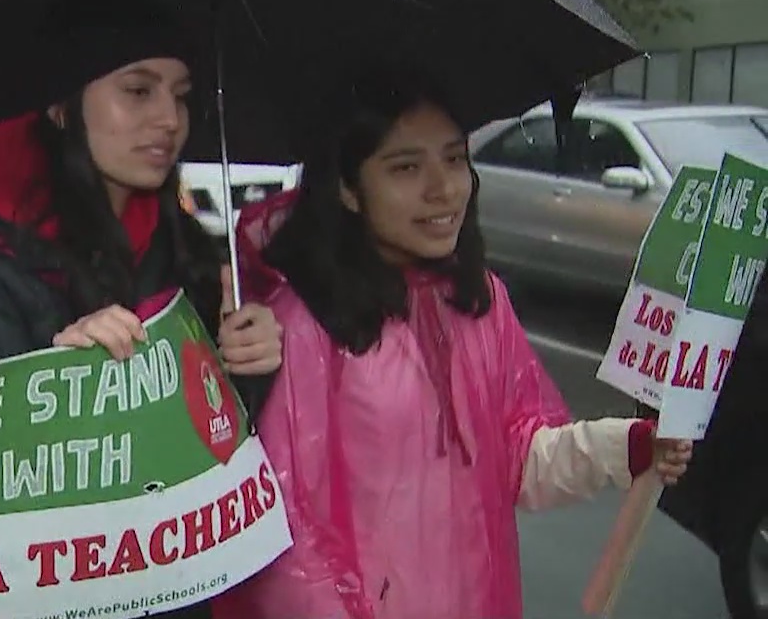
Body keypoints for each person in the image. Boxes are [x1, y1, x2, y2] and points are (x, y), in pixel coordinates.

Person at [211, 70, 694, 619]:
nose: (443, 188)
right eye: (406, 168)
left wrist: (626, 447)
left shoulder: (479, 300)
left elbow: (517, 458)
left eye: (455, 158)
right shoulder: (298, 326)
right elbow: (292, 542)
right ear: (347, 188)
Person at [0, 0, 284, 619]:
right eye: (138, 91)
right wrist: (46, 392)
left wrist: (246, 366)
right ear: (63, 107)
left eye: (180, 94)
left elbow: (211, 463)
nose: (170, 120)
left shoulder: (191, 258)